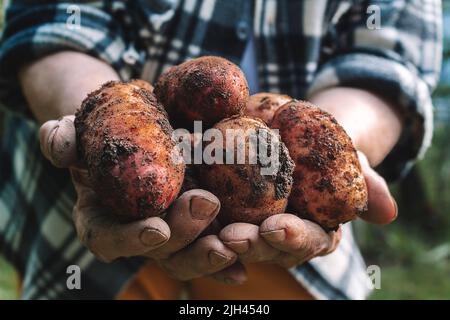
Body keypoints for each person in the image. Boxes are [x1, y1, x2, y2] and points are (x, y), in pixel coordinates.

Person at [0, 0, 442, 299]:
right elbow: (52, 20)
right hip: (73, 222)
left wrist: (346, 142)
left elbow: (388, 62)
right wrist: (88, 119)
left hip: (289, 241)